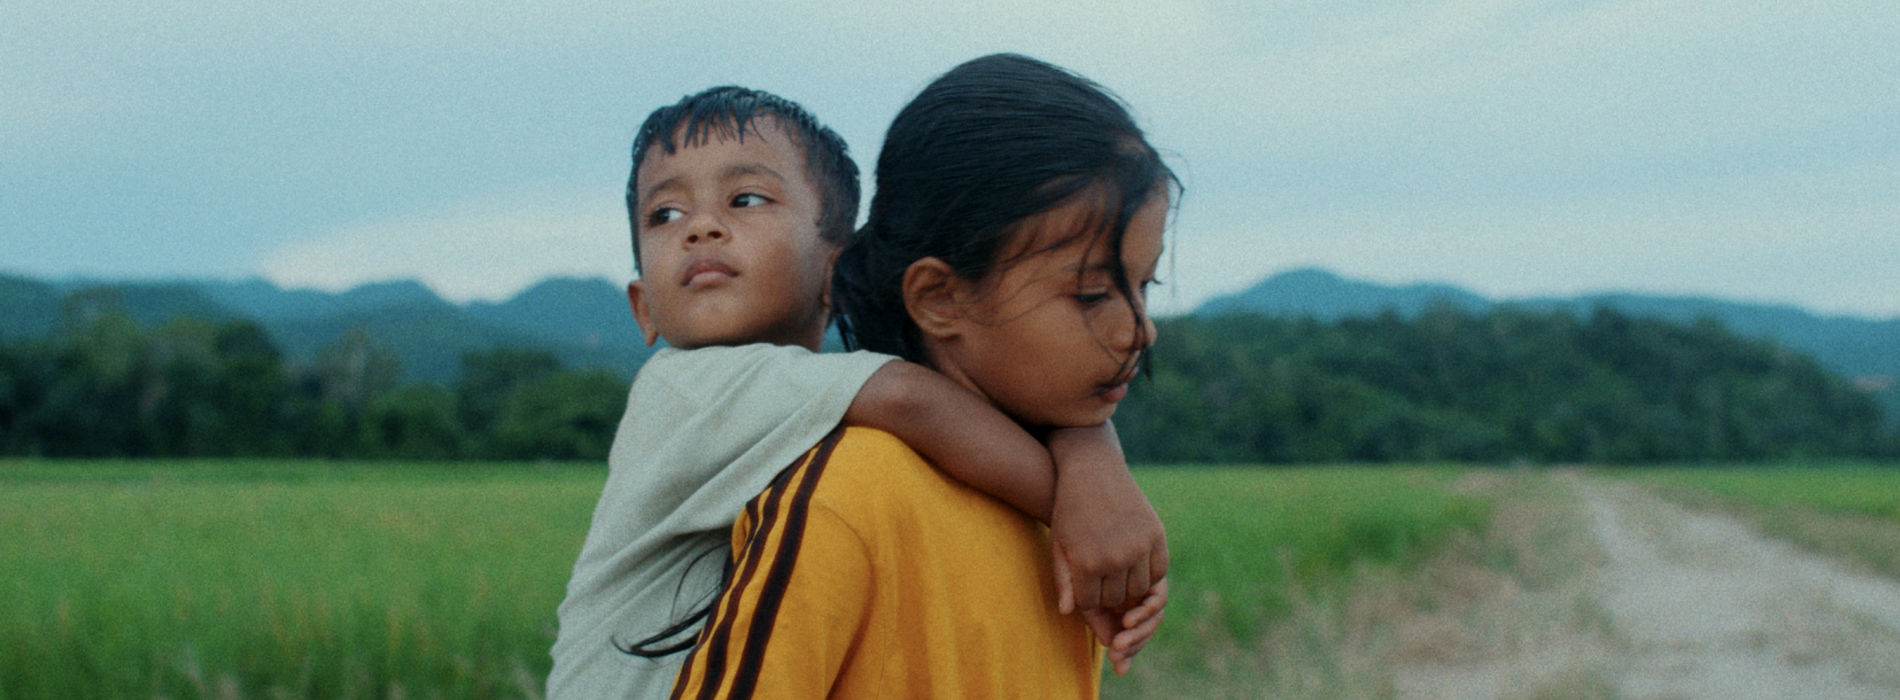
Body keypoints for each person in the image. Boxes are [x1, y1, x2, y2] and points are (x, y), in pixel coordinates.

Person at [546, 85, 1168, 700]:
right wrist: (1087, 515)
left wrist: (1091, 454)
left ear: (834, 271)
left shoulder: (820, 416)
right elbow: (910, 399)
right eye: (665, 214)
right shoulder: (683, 387)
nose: (701, 227)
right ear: (642, 307)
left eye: (746, 198)